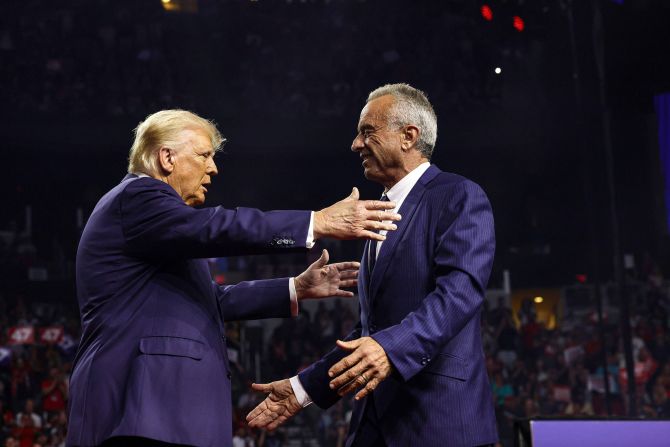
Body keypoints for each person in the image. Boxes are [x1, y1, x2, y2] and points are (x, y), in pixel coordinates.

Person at [67, 109, 401, 447]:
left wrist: (296, 288)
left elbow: (210, 300)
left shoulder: (160, 228)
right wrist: (315, 222)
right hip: (141, 410)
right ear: (166, 157)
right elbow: (217, 227)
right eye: (204, 155)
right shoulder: (138, 198)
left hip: (165, 412)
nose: (213, 168)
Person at [247, 84, 498, 447]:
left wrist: (388, 349)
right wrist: (303, 388)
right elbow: (371, 330)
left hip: (439, 422)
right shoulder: (379, 213)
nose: (355, 144)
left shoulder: (458, 195)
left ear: (409, 136)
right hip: (373, 423)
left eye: (368, 132)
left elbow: (459, 294)